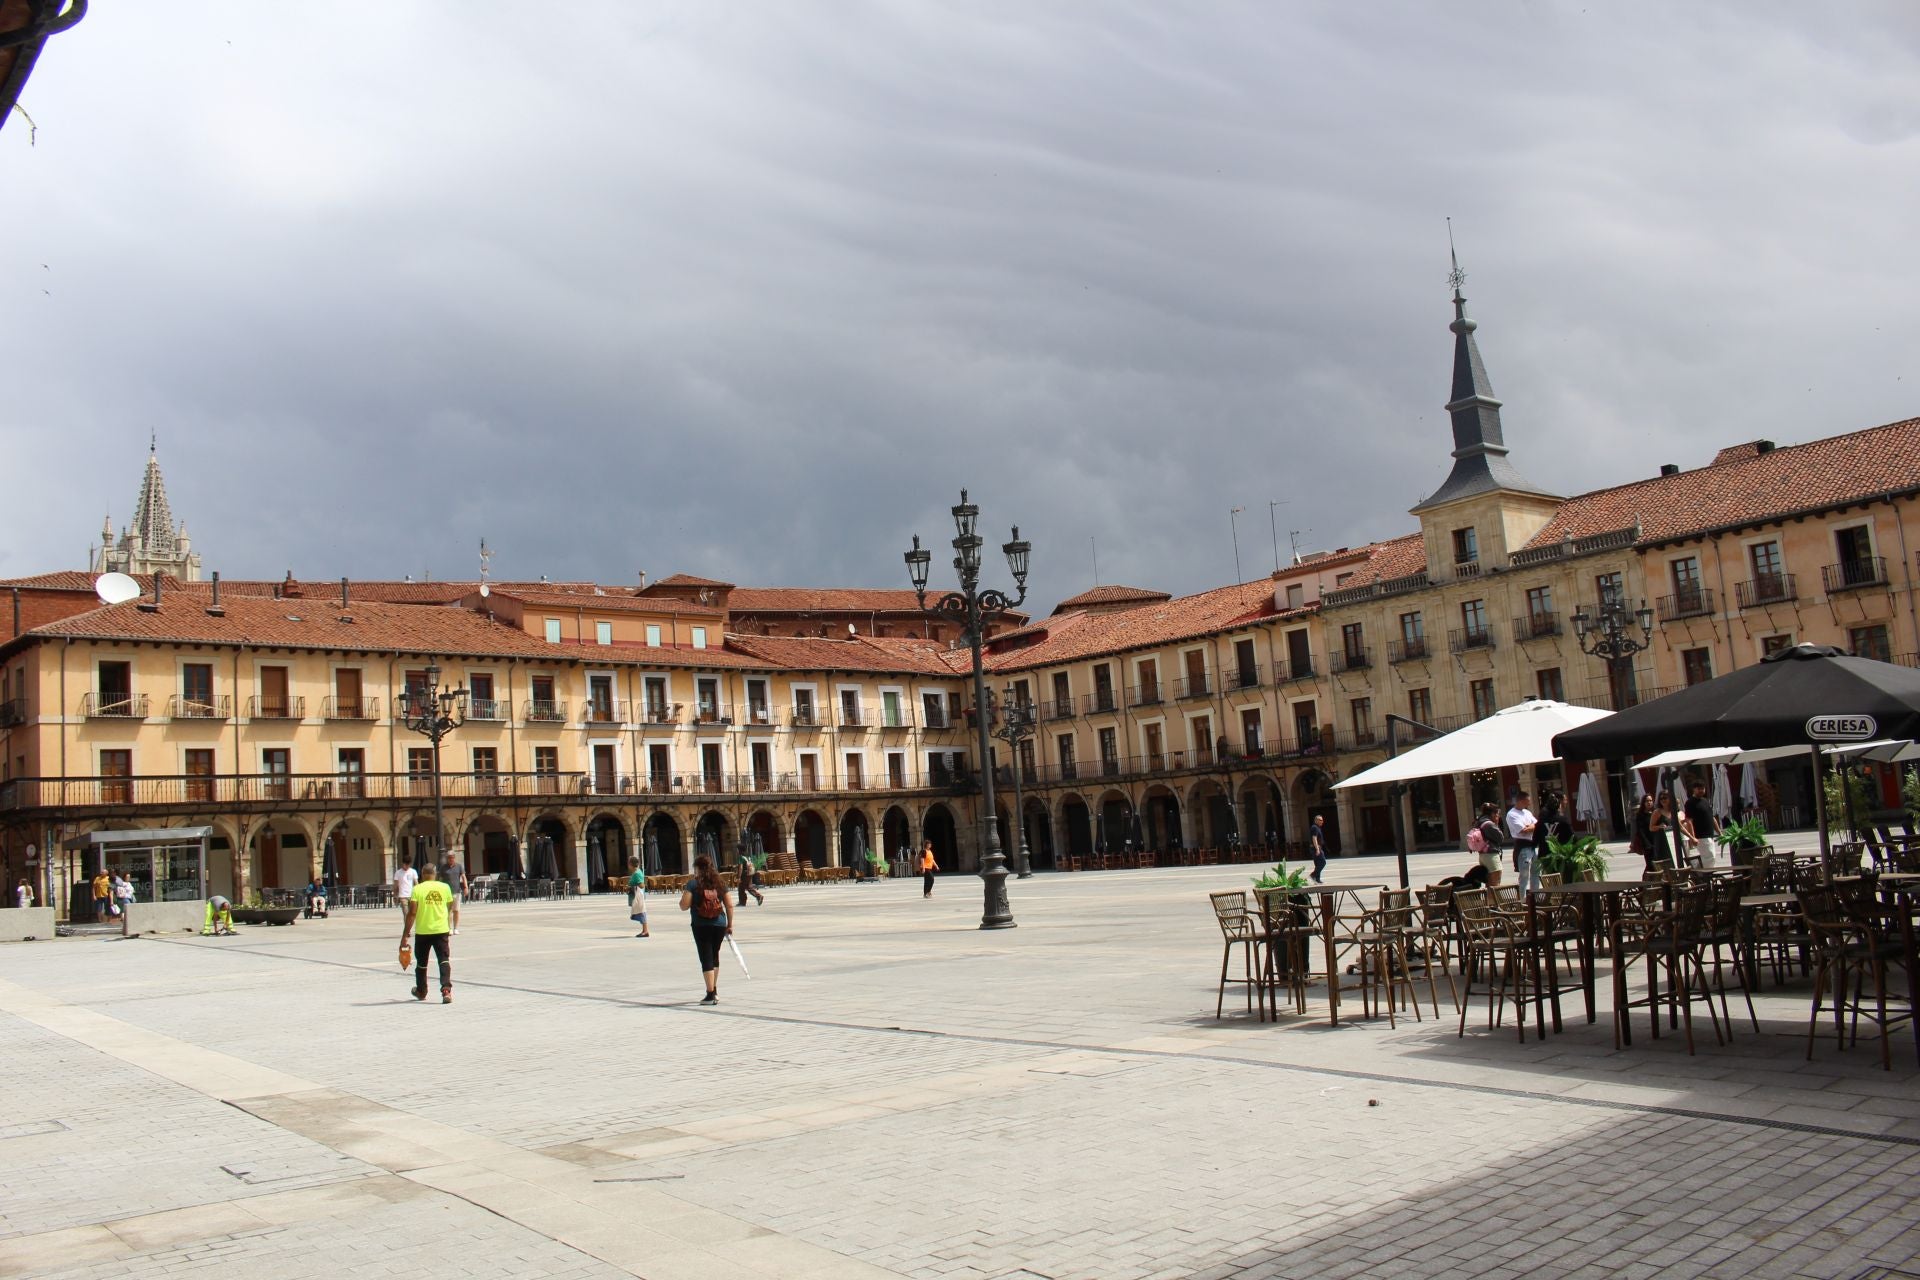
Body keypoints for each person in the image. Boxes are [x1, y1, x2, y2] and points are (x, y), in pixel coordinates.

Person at [679, 854, 730, 1004]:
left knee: (706, 958)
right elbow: (730, 905)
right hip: (720, 924)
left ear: (698, 868)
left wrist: (683, 900)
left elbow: (684, 906)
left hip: (701, 925)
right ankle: (714, 990)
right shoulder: (720, 883)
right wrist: (730, 925)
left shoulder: (693, 884)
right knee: (714, 956)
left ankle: (709, 995)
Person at [403, 863, 458, 1004]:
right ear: (435, 874)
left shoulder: (417, 889)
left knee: (421, 963)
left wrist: (405, 934)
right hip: (441, 930)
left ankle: (421, 991)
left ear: (422, 874)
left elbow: (412, 912)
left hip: (423, 931)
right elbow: (450, 905)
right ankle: (446, 990)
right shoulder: (444, 887)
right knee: (443, 960)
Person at [1505, 791, 1541, 894]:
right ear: (1521, 800)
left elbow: (1537, 825)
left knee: (1536, 873)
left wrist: (1531, 826)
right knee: (1524, 875)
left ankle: (1535, 896)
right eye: (1528, 801)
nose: (1529, 803)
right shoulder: (1512, 814)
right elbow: (1523, 830)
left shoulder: (1527, 812)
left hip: (1533, 845)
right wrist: (1532, 826)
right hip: (1522, 846)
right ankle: (1523, 899)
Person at [1682, 780, 1721, 868]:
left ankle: (1698, 875)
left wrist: (1719, 832)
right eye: (1699, 788)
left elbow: (1712, 818)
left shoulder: (1705, 801)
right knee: (1710, 857)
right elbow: (1689, 821)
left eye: (1703, 788)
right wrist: (1693, 837)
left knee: (1708, 857)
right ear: (1694, 789)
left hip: (1709, 835)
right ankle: (1706, 876)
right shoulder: (1690, 803)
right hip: (1700, 836)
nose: (1701, 790)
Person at [1468, 802, 1505, 887]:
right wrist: (1496, 823)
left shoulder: (1479, 821)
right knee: (1495, 883)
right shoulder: (1489, 824)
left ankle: (1489, 900)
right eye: (1497, 814)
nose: (1498, 816)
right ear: (1492, 813)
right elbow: (1500, 838)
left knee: (1489, 883)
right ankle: (1492, 900)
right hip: (1491, 855)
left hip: (1483, 855)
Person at [1629, 794, 1662, 875]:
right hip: (1647, 844)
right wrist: (1647, 844)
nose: (1649, 803)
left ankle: (1652, 884)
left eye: (1650, 801)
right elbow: (1640, 831)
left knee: (1657, 865)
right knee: (1650, 865)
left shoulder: (1656, 813)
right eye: (1647, 801)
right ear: (1643, 803)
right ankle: (1645, 884)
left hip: (1657, 841)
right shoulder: (1640, 815)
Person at [1650, 793, 1679, 870]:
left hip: (1672, 841)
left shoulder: (1673, 811)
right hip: (1661, 842)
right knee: (1664, 864)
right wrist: (1659, 827)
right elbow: (1651, 827)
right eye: (1661, 799)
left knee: (1674, 862)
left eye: (1665, 798)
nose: (1663, 800)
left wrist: (1691, 837)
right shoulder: (1657, 812)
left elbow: (1680, 826)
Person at [627, 856, 650, 938]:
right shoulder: (637, 872)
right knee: (640, 911)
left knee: (642, 911)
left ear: (631, 864)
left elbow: (642, 885)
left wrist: (632, 886)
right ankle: (644, 930)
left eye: (629, 863)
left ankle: (646, 931)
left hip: (638, 894)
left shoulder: (637, 873)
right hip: (638, 894)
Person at [1306, 815, 1329, 885]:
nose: (1322, 821)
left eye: (1322, 820)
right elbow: (1314, 838)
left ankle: (1317, 879)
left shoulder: (1317, 828)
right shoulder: (1315, 828)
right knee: (1323, 862)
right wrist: (1317, 849)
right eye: (1320, 820)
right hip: (1315, 848)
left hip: (1317, 847)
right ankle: (1313, 875)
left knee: (1318, 864)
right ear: (1316, 820)